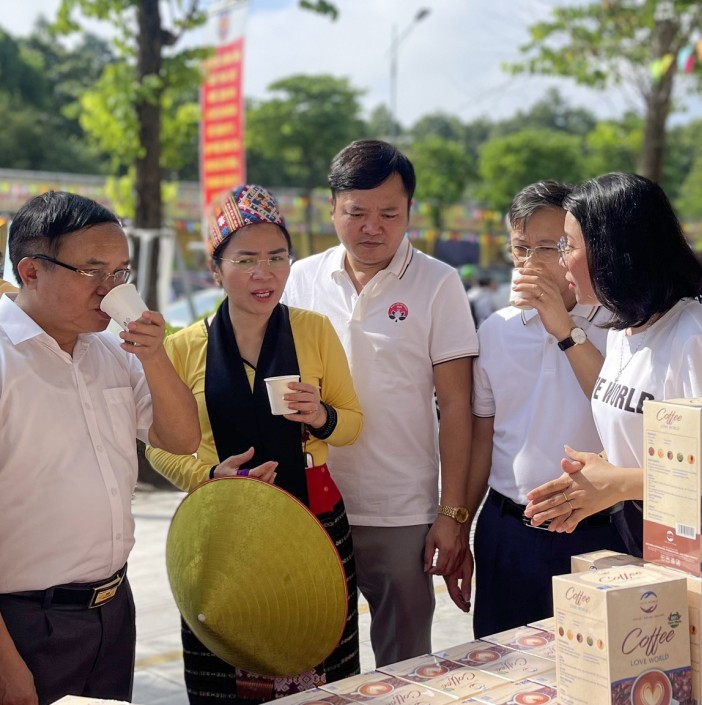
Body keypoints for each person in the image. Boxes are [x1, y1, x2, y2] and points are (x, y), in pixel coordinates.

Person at [146, 184, 363, 704]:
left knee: (317, 670)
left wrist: (322, 416)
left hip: (312, 520)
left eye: (277, 257)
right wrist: (209, 476)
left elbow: (353, 422)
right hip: (220, 533)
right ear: (215, 269)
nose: (264, 274)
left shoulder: (312, 330)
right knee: (227, 668)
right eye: (245, 259)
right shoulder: (182, 347)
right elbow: (158, 444)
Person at [282, 140, 478, 666]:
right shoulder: (299, 278)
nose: (373, 227)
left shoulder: (439, 284)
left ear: (410, 212)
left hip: (402, 513)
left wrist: (452, 514)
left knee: (406, 664)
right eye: (356, 213)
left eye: (389, 213)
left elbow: (456, 406)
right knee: (314, 659)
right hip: (312, 505)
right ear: (332, 209)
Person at [0, 191, 200, 705]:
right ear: (31, 271)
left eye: (122, 272)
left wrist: (155, 357)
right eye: (94, 271)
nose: (112, 288)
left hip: (112, 608)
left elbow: (181, 440)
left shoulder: (113, 351)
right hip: (22, 621)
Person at [524, 173, 702, 554]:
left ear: (612, 250)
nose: (561, 259)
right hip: (640, 534)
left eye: (568, 244)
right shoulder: (622, 331)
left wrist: (618, 483)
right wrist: (593, 474)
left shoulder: (698, 338)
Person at [459, 181, 630, 636]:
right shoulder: (496, 330)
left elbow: (616, 403)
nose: (532, 262)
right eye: (521, 249)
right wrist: (459, 523)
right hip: (507, 529)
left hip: (596, 531)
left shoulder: (621, 326)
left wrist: (564, 327)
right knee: (503, 666)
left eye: (551, 247)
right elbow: (483, 436)